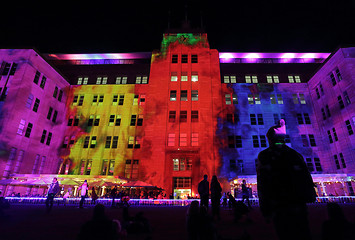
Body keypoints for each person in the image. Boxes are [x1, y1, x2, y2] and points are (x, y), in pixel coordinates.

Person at [257, 119, 316, 240]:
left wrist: (265, 208)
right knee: (303, 233)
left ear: (270, 139)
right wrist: (310, 195)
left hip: (279, 205)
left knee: (285, 234)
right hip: (298, 203)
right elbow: (306, 175)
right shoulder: (295, 154)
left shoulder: (265, 155)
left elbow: (263, 182)